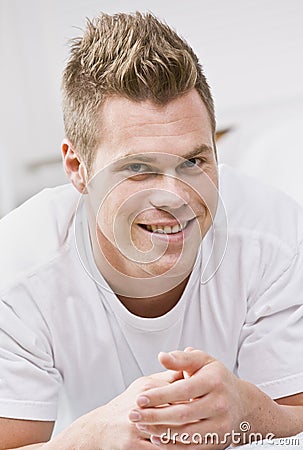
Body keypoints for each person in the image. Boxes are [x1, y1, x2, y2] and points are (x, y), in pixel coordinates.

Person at [0, 11, 302, 450]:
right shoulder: (17, 273)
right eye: (137, 168)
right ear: (77, 169)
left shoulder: (274, 239)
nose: (175, 197)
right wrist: (90, 441)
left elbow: (295, 422)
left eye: (194, 162)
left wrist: (249, 414)